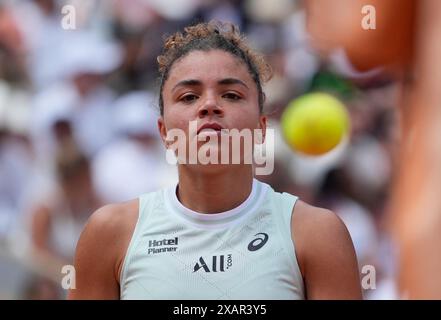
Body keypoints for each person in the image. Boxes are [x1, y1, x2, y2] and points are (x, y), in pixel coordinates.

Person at [68, 21, 361, 300]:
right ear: (165, 132)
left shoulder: (318, 233)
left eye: (231, 95)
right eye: (188, 97)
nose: (209, 105)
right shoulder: (109, 233)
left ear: (261, 128)